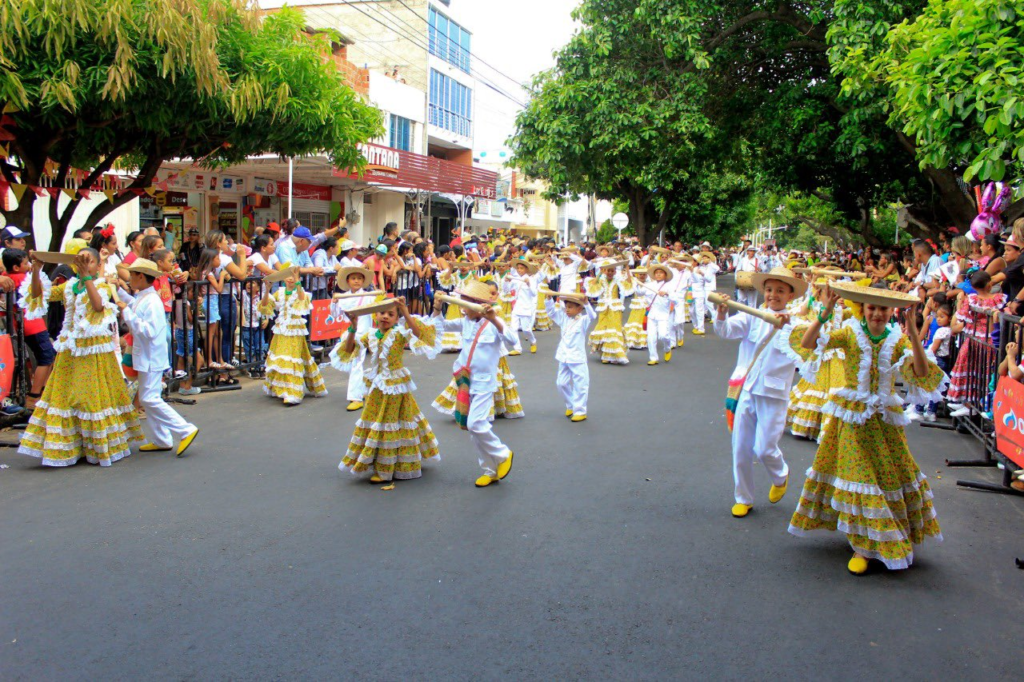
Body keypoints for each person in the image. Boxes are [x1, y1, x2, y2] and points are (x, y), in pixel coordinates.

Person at [792, 282, 945, 574]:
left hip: (884, 422)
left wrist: (913, 333)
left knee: (885, 478)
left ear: (891, 312)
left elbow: (922, 374)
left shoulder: (897, 339)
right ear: (863, 309)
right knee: (858, 476)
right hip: (850, 419)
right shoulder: (850, 332)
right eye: (872, 307)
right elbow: (808, 344)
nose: (876, 314)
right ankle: (863, 546)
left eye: (883, 309)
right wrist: (823, 316)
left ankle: (880, 536)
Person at [18, 249, 143, 466]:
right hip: (70, 349)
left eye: (90, 261)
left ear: (97, 265)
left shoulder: (103, 285)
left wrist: (87, 277)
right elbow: (39, 294)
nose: (85, 264)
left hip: (94, 350)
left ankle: (95, 445)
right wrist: (37, 268)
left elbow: (97, 306)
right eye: (81, 260)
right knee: (65, 397)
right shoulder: (68, 286)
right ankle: (73, 446)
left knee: (90, 398)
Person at [714, 268, 802, 519]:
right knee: (740, 446)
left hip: (774, 394)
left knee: (764, 448)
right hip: (746, 389)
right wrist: (721, 312)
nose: (774, 295)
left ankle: (780, 474)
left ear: (791, 295)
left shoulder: (796, 325)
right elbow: (725, 331)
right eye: (770, 290)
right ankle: (743, 497)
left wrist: (787, 327)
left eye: (781, 291)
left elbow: (807, 348)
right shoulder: (751, 316)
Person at [335, 297, 440, 484]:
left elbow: (419, 334)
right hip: (377, 387)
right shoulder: (370, 334)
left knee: (389, 422)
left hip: (396, 386)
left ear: (396, 318)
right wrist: (352, 326)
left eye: (391, 314)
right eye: (382, 313)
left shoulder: (399, 333)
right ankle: (385, 461)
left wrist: (405, 312)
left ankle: (386, 469)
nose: (385, 317)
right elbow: (349, 349)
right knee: (379, 422)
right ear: (375, 315)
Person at [430, 280, 518, 487]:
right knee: (474, 430)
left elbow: (513, 340)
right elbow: (437, 326)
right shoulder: (465, 322)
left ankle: (503, 453)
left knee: (476, 424)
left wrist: (495, 319)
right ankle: (490, 469)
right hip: (465, 381)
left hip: (485, 383)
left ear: (476, 304)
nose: (462, 307)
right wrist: (437, 307)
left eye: (466, 303)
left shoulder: (494, 322)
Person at [115, 259, 199, 457]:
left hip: (151, 355)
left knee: (149, 398)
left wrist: (126, 312)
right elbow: (132, 303)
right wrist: (119, 293)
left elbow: (148, 330)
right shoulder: (144, 296)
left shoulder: (151, 301)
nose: (130, 278)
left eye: (133, 275)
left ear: (141, 276)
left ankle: (185, 429)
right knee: (147, 397)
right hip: (145, 355)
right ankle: (161, 439)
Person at [258, 266, 328, 405]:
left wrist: (297, 282)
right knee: (280, 360)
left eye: (293, 276)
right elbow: (266, 305)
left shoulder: (300, 291)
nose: (290, 278)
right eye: (287, 275)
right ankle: (280, 388)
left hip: (295, 330)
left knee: (292, 359)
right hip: (280, 330)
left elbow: (302, 301)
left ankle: (292, 393)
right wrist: (267, 289)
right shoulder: (279, 292)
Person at [947, 269, 1005, 417]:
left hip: (975, 339)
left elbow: (961, 317)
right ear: (989, 284)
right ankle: (972, 403)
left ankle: (970, 403)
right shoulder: (998, 299)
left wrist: (960, 303)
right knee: (983, 373)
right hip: (990, 340)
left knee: (971, 371)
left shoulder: (972, 299)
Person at [329, 266, 383, 411]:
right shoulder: (344, 297)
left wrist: (380, 296)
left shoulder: (368, 296)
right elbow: (334, 314)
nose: (357, 281)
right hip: (351, 333)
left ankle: (356, 397)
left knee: (357, 363)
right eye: (353, 278)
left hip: (365, 335)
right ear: (348, 281)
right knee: (351, 361)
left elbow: (378, 306)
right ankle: (363, 389)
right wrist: (333, 302)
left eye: (359, 278)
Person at [6, 249, 55, 409]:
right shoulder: (22, 278)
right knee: (46, 357)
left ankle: (41, 392)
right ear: (15, 267)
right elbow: (37, 290)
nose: (28, 266)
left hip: (24, 324)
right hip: (33, 324)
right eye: (25, 263)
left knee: (45, 356)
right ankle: (35, 395)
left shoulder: (8, 278)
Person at [546, 290, 596, 422]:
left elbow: (593, 316)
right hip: (563, 356)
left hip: (577, 358)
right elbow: (551, 312)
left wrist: (586, 303)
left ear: (579, 309)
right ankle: (571, 405)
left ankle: (580, 410)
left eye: (570, 307)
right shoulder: (563, 318)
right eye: (566, 307)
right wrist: (548, 299)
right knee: (561, 383)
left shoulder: (583, 320)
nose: (567, 310)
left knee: (581, 385)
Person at [584, 258, 634, 364]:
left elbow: (629, 283)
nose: (610, 272)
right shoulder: (601, 279)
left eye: (612, 270)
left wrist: (627, 268)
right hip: (604, 307)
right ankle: (605, 354)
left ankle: (617, 354)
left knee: (614, 330)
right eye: (608, 270)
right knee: (603, 329)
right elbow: (592, 285)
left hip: (615, 307)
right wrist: (599, 274)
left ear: (615, 271)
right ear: (604, 271)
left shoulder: (618, 279)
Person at [641, 264, 678, 366]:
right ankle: (653, 357)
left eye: (660, 273)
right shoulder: (649, 285)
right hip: (652, 314)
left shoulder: (669, 286)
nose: (658, 275)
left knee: (663, 335)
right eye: (656, 273)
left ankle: (667, 348)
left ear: (665, 275)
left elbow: (676, 300)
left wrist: (666, 294)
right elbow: (640, 293)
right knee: (651, 337)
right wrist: (637, 284)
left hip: (663, 315)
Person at [506, 260, 539, 355]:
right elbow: (506, 290)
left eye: (522, 268)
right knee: (513, 328)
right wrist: (506, 282)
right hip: (517, 307)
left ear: (526, 269)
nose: (519, 270)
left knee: (526, 330)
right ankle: (517, 348)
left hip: (527, 307)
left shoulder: (531, 279)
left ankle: (533, 341)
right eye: (518, 268)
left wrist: (528, 284)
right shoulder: (515, 279)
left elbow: (534, 293)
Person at [624, 267, 649, 350]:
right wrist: (627, 266)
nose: (642, 276)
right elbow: (628, 278)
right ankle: (631, 341)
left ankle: (642, 341)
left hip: (645, 306)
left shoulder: (649, 283)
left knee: (643, 324)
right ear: (637, 275)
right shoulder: (634, 282)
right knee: (633, 322)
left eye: (644, 274)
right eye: (640, 274)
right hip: (636, 306)